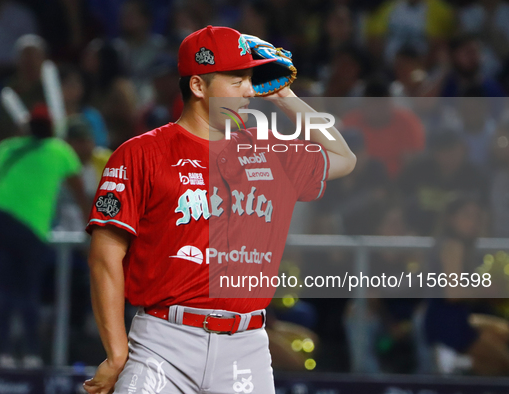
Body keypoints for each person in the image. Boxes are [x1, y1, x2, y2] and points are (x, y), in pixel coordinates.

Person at [83, 26, 356, 394]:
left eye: (250, 78)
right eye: (237, 79)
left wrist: (286, 97)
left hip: (246, 346)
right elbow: (105, 256)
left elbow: (344, 157)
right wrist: (116, 353)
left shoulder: (270, 150)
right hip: (164, 341)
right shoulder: (141, 154)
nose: (249, 90)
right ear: (198, 87)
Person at [0, 103, 87, 368]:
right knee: (28, 291)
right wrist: (91, 225)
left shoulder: (7, 148)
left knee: (3, 288)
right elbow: (79, 192)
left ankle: (3, 354)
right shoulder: (60, 151)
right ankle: (32, 355)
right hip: (31, 227)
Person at [424, 197, 509, 376]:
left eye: (477, 217)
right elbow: (453, 293)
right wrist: (485, 291)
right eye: (467, 216)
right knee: (502, 361)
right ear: (450, 218)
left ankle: (465, 366)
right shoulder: (453, 245)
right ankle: (458, 363)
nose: (473, 222)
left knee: (503, 333)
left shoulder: (463, 247)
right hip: (449, 327)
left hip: (460, 320)